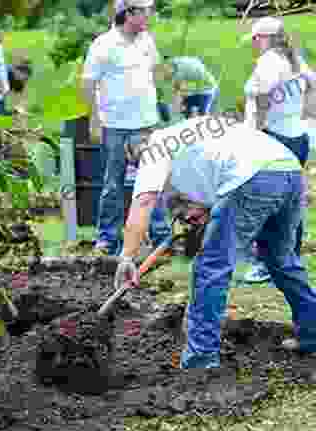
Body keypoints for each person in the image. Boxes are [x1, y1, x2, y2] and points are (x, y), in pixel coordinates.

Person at [115, 116, 316, 369]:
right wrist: (205, 211)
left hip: (253, 176)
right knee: (281, 260)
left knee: (211, 266)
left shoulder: (155, 146)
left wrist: (127, 257)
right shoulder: (190, 135)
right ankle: (313, 334)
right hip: (289, 170)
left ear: (140, 150)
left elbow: (143, 202)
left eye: (136, 162)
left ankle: (200, 360)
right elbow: (224, 175)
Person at [81, 0, 172, 255]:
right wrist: (94, 119)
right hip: (115, 126)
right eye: (145, 11)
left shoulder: (146, 41)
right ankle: (107, 239)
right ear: (129, 13)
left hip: (147, 125)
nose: (150, 15)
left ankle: (161, 237)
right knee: (113, 184)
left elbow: (155, 72)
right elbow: (88, 84)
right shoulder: (104, 45)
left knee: (154, 181)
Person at [241, 17, 314, 284]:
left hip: (274, 140)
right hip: (296, 138)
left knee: (266, 202)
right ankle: (288, 257)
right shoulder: (295, 59)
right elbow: (311, 86)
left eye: (255, 39)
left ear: (265, 38)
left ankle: (266, 263)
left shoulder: (271, 61)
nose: (253, 44)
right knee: (290, 203)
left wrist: (257, 132)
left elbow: (261, 96)